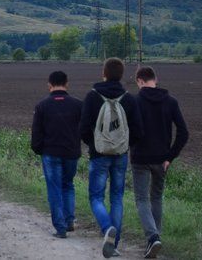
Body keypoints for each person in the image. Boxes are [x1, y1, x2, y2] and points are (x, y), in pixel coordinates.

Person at [80, 57, 144, 258]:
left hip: (98, 155)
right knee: (117, 198)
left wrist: (94, 145)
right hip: (120, 155)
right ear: (122, 75)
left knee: (96, 197)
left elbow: (83, 128)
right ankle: (113, 245)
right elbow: (138, 131)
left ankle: (107, 228)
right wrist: (123, 146)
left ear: (104, 73)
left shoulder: (92, 97)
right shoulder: (129, 99)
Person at [132, 65, 189, 259]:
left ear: (140, 81)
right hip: (161, 160)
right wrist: (170, 157)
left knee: (141, 199)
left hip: (140, 158)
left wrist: (132, 146)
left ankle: (152, 237)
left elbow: (130, 130)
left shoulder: (135, 101)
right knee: (156, 198)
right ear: (155, 80)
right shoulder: (171, 101)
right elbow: (183, 132)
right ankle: (156, 240)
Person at [31, 70, 83, 238]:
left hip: (50, 153)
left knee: (54, 189)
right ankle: (69, 221)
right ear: (67, 84)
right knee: (68, 185)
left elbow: (36, 133)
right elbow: (84, 129)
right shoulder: (78, 105)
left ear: (49, 85)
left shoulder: (42, 106)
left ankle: (60, 228)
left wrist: (39, 149)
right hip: (71, 153)